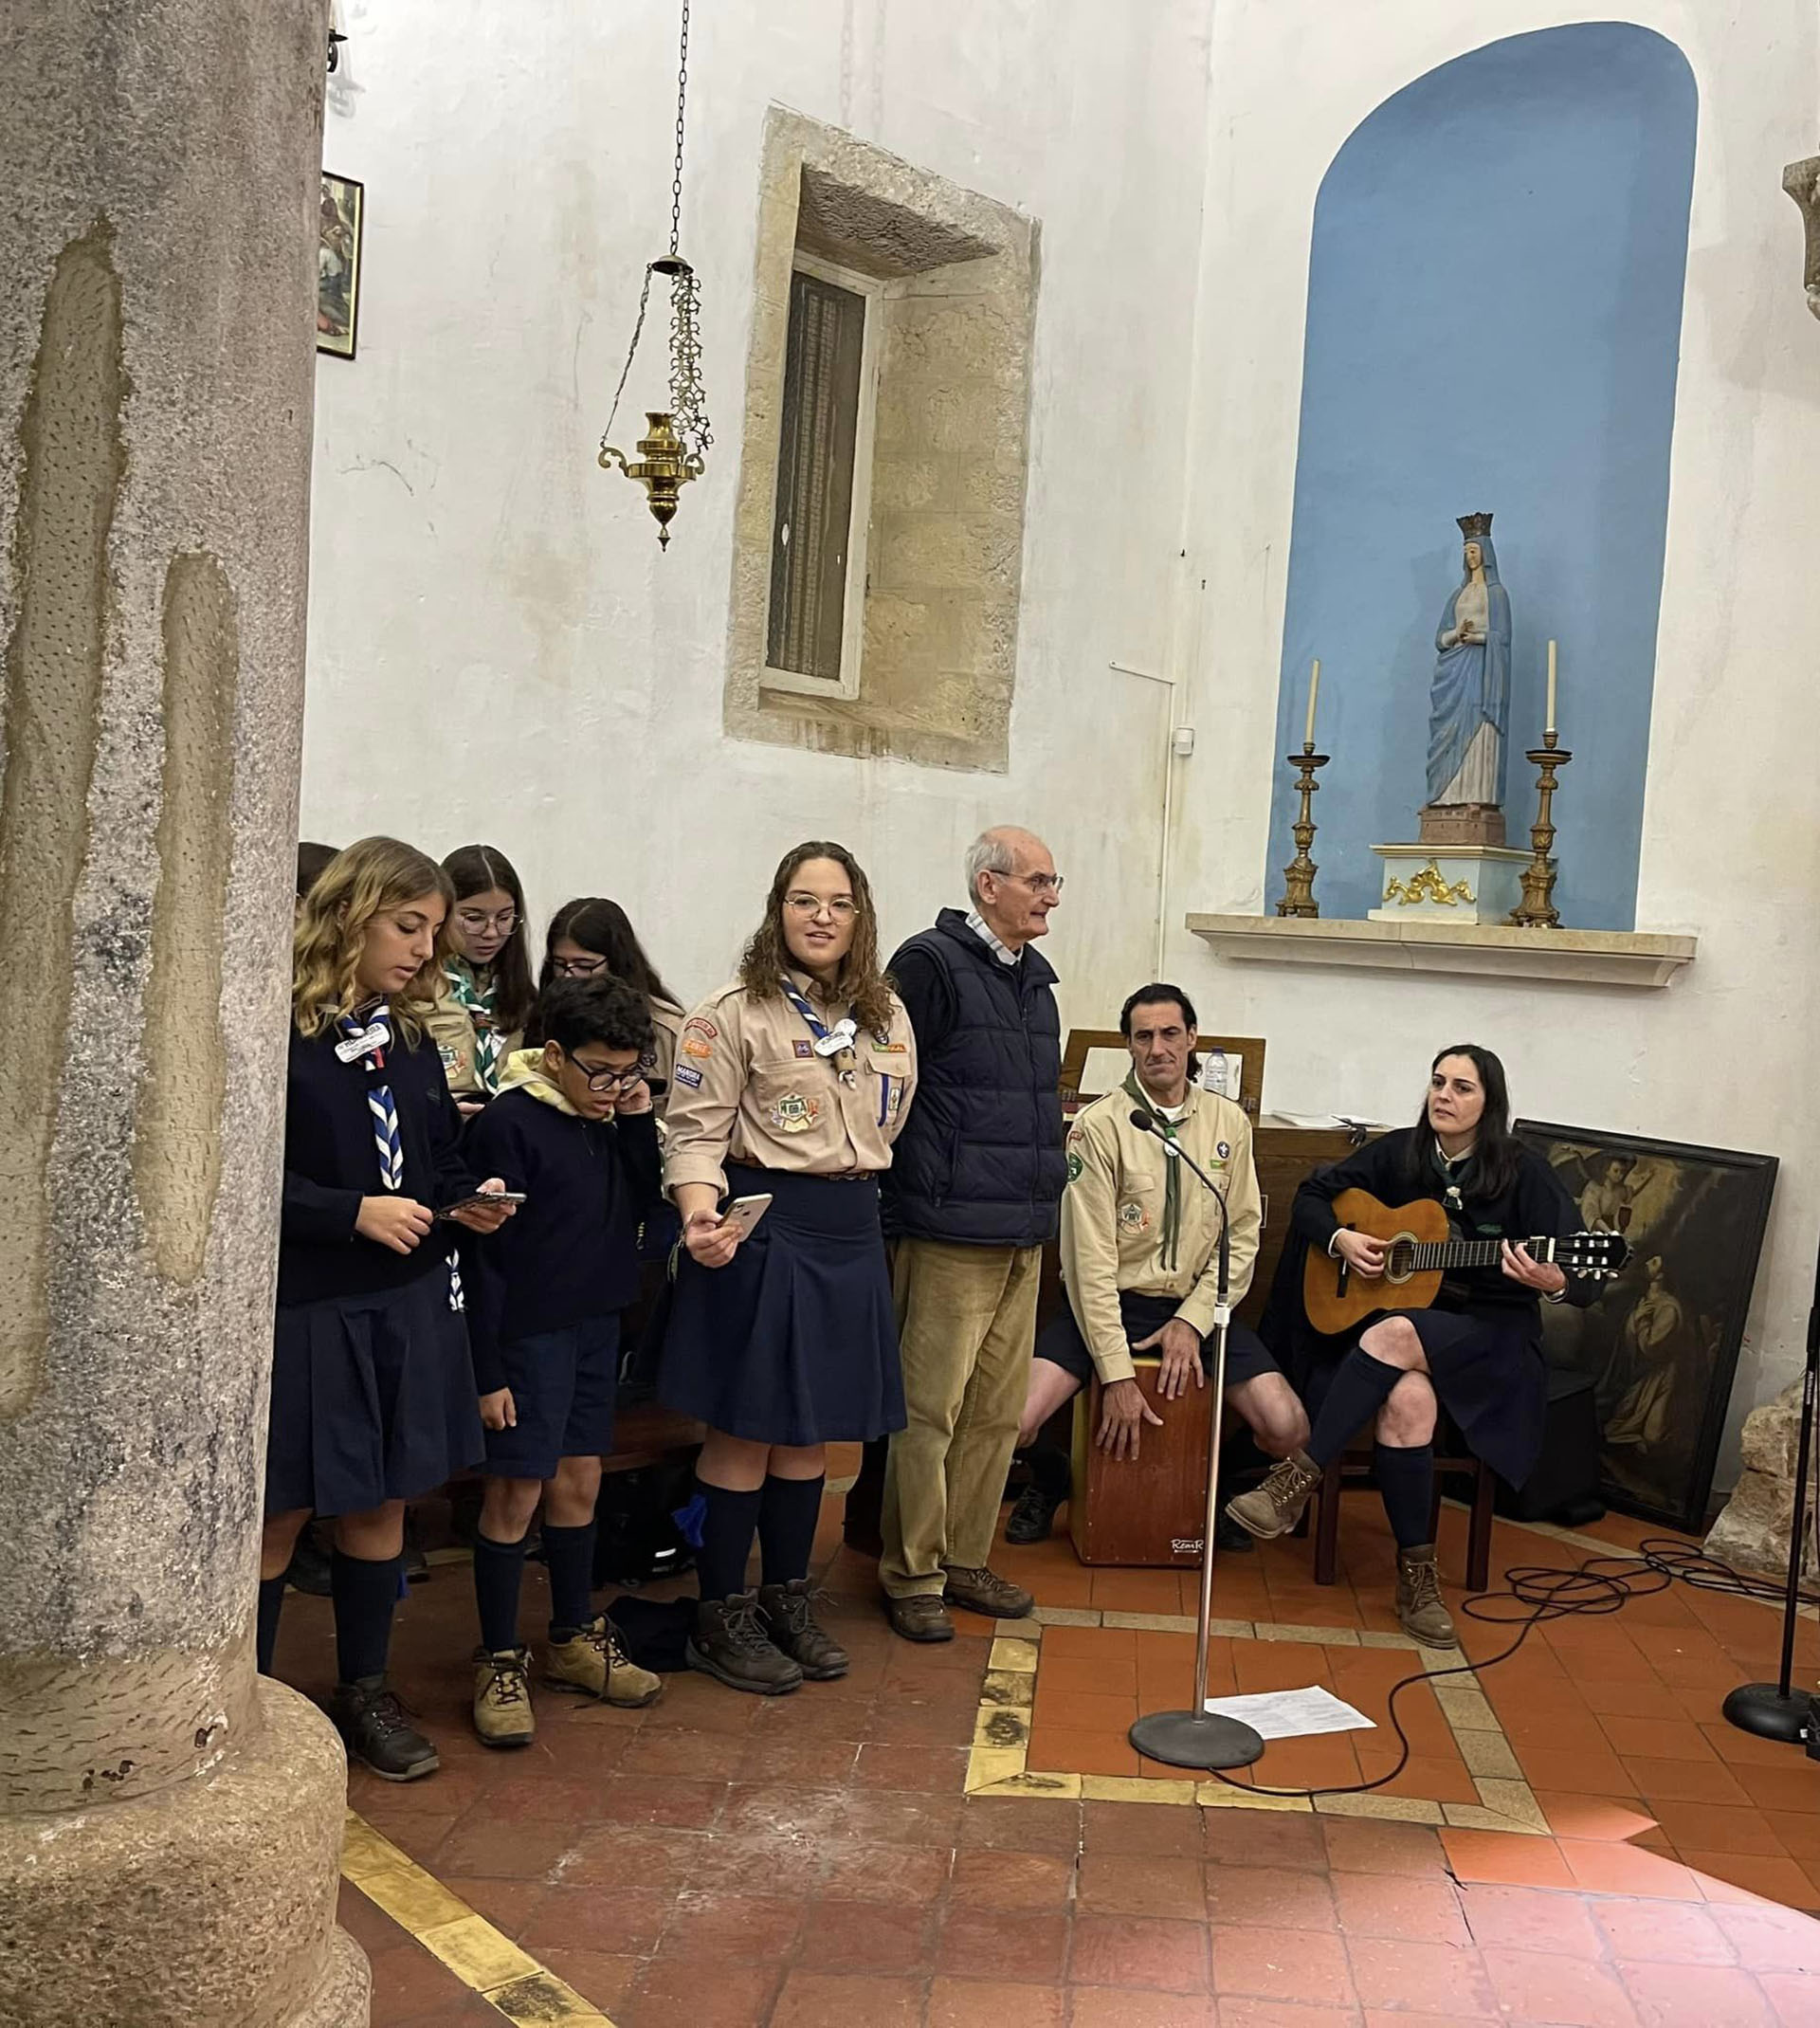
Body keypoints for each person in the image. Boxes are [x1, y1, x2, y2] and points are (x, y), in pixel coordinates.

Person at [258, 837, 517, 1780]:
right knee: (280, 1515)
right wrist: (349, 1212)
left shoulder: (407, 1039)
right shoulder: (276, 1030)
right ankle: (241, 1700)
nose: (424, 950)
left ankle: (365, 1689)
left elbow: (437, 1158)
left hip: (402, 1305)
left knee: (381, 1507)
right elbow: (244, 1175)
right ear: (350, 913)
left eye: (434, 933)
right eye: (408, 926)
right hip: (313, 1306)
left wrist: (468, 1195)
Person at [1226, 1044, 1602, 1647]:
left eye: (1462, 1088)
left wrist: (1555, 1281)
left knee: (1393, 1332)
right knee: (1408, 1403)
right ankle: (1417, 1578)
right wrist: (1342, 1239)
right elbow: (1310, 1199)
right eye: (1438, 1083)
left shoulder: (1523, 1170)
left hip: (1490, 1337)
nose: (1444, 1097)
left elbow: (1582, 1277)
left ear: (1489, 1103)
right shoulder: (1402, 1151)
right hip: (1403, 1337)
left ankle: (1295, 1481)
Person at [659, 841, 917, 1693]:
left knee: (813, 1431)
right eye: (804, 901)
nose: (821, 917)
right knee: (746, 1429)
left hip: (850, 1231)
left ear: (860, 917)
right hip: (764, 1230)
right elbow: (693, 1134)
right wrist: (701, 1214)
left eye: (839, 902)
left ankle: (785, 1597)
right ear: (778, 911)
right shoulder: (730, 1013)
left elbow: (892, 1121)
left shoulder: (887, 1016)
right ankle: (719, 1611)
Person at [1006, 983, 1307, 1544]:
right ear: (1129, 1046)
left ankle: (1219, 1493)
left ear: (1193, 1039)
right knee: (1011, 1426)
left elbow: (1240, 1233)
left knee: (1287, 1426)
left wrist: (1193, 1321)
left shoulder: (1228, 1123)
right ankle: (1052, 1478)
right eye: (1143, 1036)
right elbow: (1088, 1261)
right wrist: (1116, 1373)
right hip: (1110, 1305)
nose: (1158, 1048)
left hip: (1198, 1306)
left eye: (1170, 1034)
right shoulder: (1099, 1127)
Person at [461, 975, 665, 1744]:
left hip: (594, 1325)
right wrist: (488, 1370)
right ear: (552, 1055)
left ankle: (573, 1637)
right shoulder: (510, 1126)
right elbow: (481, 1260)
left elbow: (648, 1203)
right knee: (515, 1491)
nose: (614, 1088)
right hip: (525, 1336)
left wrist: (638, 1116)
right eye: (601, 1073)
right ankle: (499, 1656)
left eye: (630, 1071)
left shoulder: (610, 1118)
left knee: (579, 1480)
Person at [878, 826, 1066, 1641]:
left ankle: (963, 1555)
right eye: (1039, 880)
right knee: (930, 1411)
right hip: (949, 1227)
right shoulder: (928, 963)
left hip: (1021, 1231)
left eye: (1055, 882)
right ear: (990, 885)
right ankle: (912, 1571)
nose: (1051, 895)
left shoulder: (1037, 985)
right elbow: (886, 1081)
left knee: (995, 1415)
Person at [537, 895, 687, 1101]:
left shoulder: (668, 1032)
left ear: (617, 962)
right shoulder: (537, 1017)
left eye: (584, 965)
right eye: (560, 964)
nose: (568, 976)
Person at [428, 844, 536, 1115]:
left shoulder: (523, 993)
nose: (491, 932)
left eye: (504, 918)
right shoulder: (413, 981)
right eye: (473, 918)